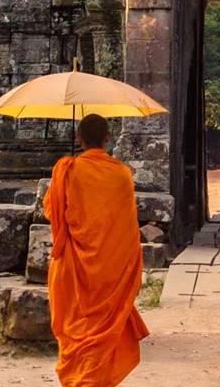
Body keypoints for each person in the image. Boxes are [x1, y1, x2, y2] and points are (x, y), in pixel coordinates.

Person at [45, 114, 150, 386]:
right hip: (111, 269)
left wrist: (69, 182)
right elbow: (127, 227)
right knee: (102, 332)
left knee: (74, 330)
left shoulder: (66, 170)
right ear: (108, 137)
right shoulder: (122, 174)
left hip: (73, 268)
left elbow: (51, 211)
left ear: (79, 138)